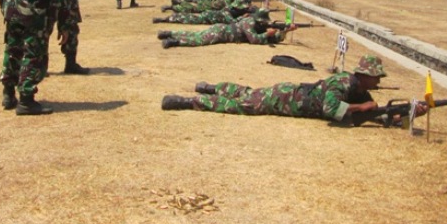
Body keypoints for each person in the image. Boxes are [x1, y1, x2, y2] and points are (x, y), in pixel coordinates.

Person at [161, 55, 428, 125]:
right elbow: (330, 110)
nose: (379, 82)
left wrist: (410, 113)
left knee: (247, 92)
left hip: (291, 92)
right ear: (365, 75)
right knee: (243, 104)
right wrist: (363, 108)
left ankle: (209, 87)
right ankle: (187, 101)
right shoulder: (342, 84)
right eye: (376, 77)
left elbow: (374, 115)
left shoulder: (358, 90)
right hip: (286, 100)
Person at [156, 8, 296, 48]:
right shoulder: (249, 23)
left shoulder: (253, 22)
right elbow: (254, 40)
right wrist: (267, 34)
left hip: (222, 29)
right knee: (199, 40)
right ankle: (174, 41)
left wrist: (285, 31)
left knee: (196, 34)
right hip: (222, 33)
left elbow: (274, 39)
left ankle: (170, 33)